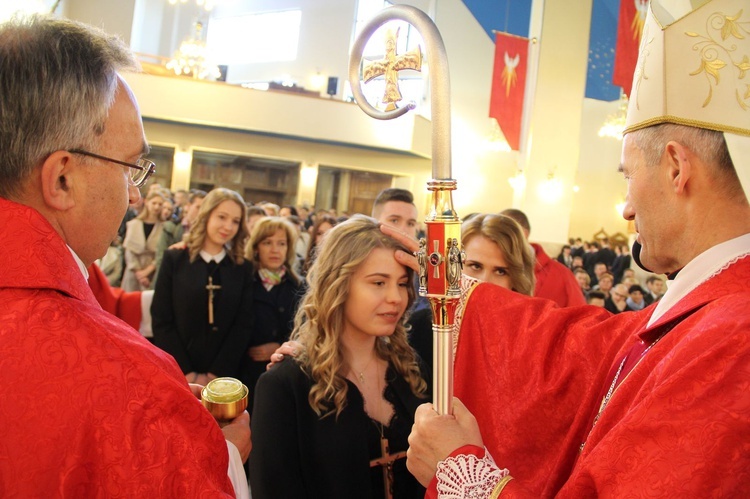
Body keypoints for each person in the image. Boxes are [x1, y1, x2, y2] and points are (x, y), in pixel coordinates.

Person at [404, 1, 750, 495]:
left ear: (676, 167)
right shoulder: (716, 309)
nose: (626, 208)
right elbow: (593, 349)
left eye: (628, 176)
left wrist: (460, 471)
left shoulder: (734, 337)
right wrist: (454, 288)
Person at [0, 15, 248, 496]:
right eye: (130, 168)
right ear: (62, 180)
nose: (135, 196)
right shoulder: (129, 385)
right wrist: (222, 452)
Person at [249, 215, 429, 498]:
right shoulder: (285, 385)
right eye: (379, 283)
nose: (396, 297)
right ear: (338, 285)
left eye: (402, 283)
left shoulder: (409, 367)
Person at [152, 188, 254, 387]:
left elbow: (243, 325)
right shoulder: (175, 259)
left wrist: (216, 374)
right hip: (178, 370)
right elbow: (161, 318)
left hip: (224, 376)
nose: (228, 226)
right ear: (206, 216)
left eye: (235, 221)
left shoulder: (242, 268)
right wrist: (187, 373)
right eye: (222, 217)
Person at [240, 216, 305, 412]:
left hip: (285, 373)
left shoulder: (299, 286)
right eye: (267, 243)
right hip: (246, 373)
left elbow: (306, 330)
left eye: (281, 243)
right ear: (256, 247)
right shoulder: (244, 281)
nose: (275, 249)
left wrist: (279, 346)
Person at [501, 208, 587, 307]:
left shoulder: (562, 275)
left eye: (502, 233)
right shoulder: (489, 270)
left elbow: (581, 316)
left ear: (523, 234)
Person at [121, 189, 165, 291]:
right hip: (133, 272)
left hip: (152, 274)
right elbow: (129, 252)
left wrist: (147, 271)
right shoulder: (134, 224)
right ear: (147, 202)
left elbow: (161, 253)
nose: (157, 207)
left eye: (160, 204)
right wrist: (139, 273)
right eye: (154, 203)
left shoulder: (164, 227)